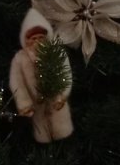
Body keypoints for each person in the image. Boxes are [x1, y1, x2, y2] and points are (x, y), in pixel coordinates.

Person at [9, 8, 73, 142]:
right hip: (36, 103)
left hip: (57, 101)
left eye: (41, 38)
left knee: (62, 128)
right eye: (33, 38)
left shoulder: (57, 53)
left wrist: (62, 95)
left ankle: (63, 138)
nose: (37, 42)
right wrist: (24, 102)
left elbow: (66, 73)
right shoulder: (20, 59)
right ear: (26, 39)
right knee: (41, 130)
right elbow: (17, 82)